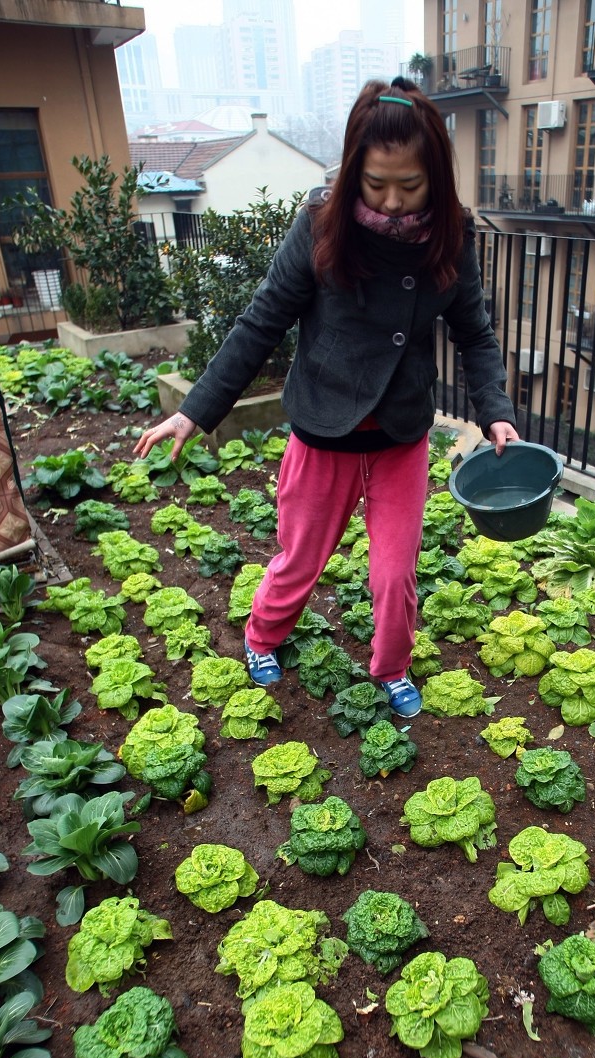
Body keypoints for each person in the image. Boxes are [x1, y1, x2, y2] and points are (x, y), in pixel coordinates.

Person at [134, 76, 519, 718]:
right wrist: (194, 410)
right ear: (353, 170)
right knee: (300, 558)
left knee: (395, 574)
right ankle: (262, 634)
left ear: (437, 175)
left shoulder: (451, 236)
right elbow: (261, 322)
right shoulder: (319, 226)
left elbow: (475, 332)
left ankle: (392, 666)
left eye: (411, 186)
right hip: (324, 432)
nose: (394, 202)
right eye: (376, 184)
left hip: (400, 437)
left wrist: (497, 413)